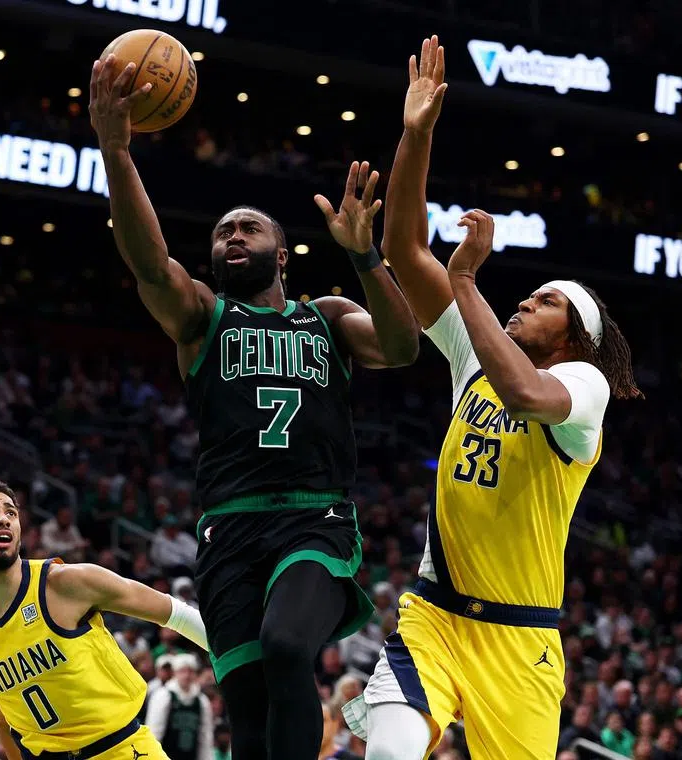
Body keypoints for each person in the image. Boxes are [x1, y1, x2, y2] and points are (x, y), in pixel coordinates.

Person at [89, 53, 420, 760]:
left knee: (285, 645)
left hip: (313, 518)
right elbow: (148, 263)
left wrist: (367, 259)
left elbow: (401, 348)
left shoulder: (325, 316)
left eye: (248, 229)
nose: (232, 237)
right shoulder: (202, 318)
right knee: (247, 710)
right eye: (222, 233)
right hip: (228, 528)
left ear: (282, 254)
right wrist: (115, 149)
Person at [343, 36, 642, 760]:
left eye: (542, 303)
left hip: (521, 639)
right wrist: (418, 135)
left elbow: (522, 390)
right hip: (434, 618)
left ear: (574, 336)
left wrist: (470, 282)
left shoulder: (582, 386)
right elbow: (406, 246)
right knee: (387, 751)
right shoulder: (476, 353)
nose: (523, 303)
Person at [0, 479, 209, 760]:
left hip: (121, 749)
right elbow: (3, 719)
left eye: (11, 512)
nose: (3, 520)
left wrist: (241, 659)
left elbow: (176, 614)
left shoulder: (66, 583)